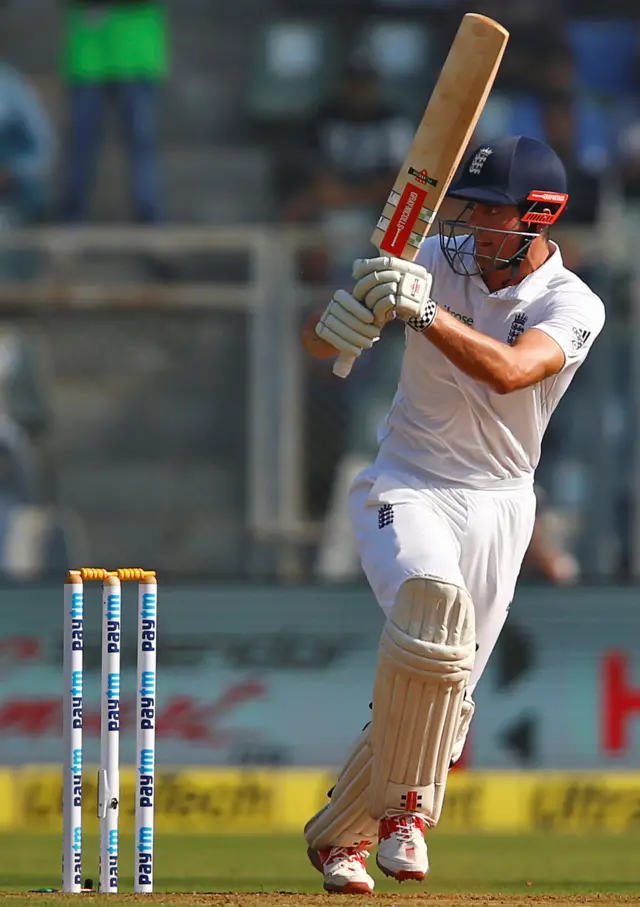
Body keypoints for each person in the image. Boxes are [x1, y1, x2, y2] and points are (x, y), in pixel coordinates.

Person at [300, 135, 605, 893]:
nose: (469, 227)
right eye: (465, 208)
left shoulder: (573, 302)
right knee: (430, 609)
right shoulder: (434, 254)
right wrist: (336, 319)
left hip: (503, 501)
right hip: (407, 478)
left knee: (446, 689)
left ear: (537, 218)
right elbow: (319, 339)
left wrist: (425, 312)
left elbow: (510, 371)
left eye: (489, 214)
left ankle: (338, 836)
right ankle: (408, 812)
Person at [59, 0, 169, 223]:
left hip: (136, 53)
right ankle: (70, 225)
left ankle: (151, 227)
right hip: (87, 56)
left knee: (142, 146)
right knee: (81, 147)